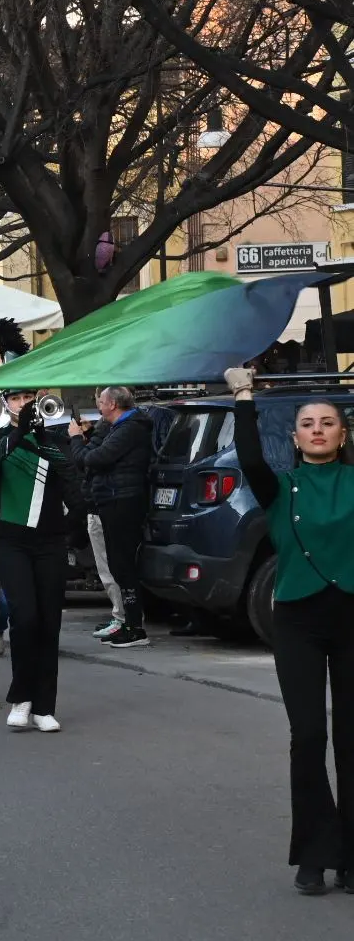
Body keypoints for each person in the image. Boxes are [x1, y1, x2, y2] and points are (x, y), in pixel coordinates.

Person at [227, 365, 354, 895]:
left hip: (351, 619)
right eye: (308, 423)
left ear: (343, 435)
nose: (318, 429)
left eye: (328, 422)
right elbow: (250, 457)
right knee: (308, 737)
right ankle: (314, 854)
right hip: (298, 621)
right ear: (296, 438)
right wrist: (243, 395)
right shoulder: (279, 489)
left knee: (351, 739)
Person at [0, 392, 80, 733]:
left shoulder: (53, 440)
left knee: (49, 622)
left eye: (28, 397)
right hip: (9, 541)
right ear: (6, 403)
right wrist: (19, 432)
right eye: (16, 398)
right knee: (24, 617)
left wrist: (39, 435)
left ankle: (44, 706)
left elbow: (70, 476)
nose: (23, 402)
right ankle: (21, 698)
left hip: (49, 540)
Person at [66, 385, 154, 648]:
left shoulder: (130, 429)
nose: (98, 406)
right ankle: (128, 623)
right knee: (117, 564)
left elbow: (96, 458)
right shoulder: (118, 427)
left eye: (101, 401)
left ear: (113, 404)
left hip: (122, 501)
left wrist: (75, 438)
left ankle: (135, 628)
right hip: (112, 500)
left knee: (123, 565)